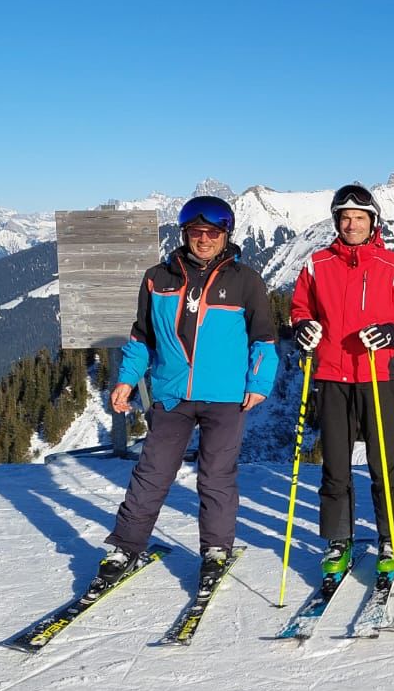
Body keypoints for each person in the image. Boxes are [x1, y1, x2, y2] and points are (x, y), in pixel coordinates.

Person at [102, 195, 279, 583]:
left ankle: (215, 550)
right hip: (172, 393)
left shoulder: (245, 281)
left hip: (225, 396)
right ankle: (125, 547)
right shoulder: (157, 278)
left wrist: (259, 383)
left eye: (212, 233)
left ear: (225, 235)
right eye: (197, 232)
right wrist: (127, 379)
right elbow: (141, 337)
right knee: (153, 471)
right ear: (184, 234)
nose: (204, 239)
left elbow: (264, 341)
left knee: (216, 475)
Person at [289, 184, 394, 585]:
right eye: (344, 217)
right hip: (331, 374)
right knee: (335, 464)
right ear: (336, 221)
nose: (351, 224)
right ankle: (338, 538)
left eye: (359, 218)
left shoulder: (393, 265)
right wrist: (302, 327)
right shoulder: (316, 264)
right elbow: (300, 307)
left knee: (383, 462)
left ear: (373, 222)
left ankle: (390, 537)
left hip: (375, 374)